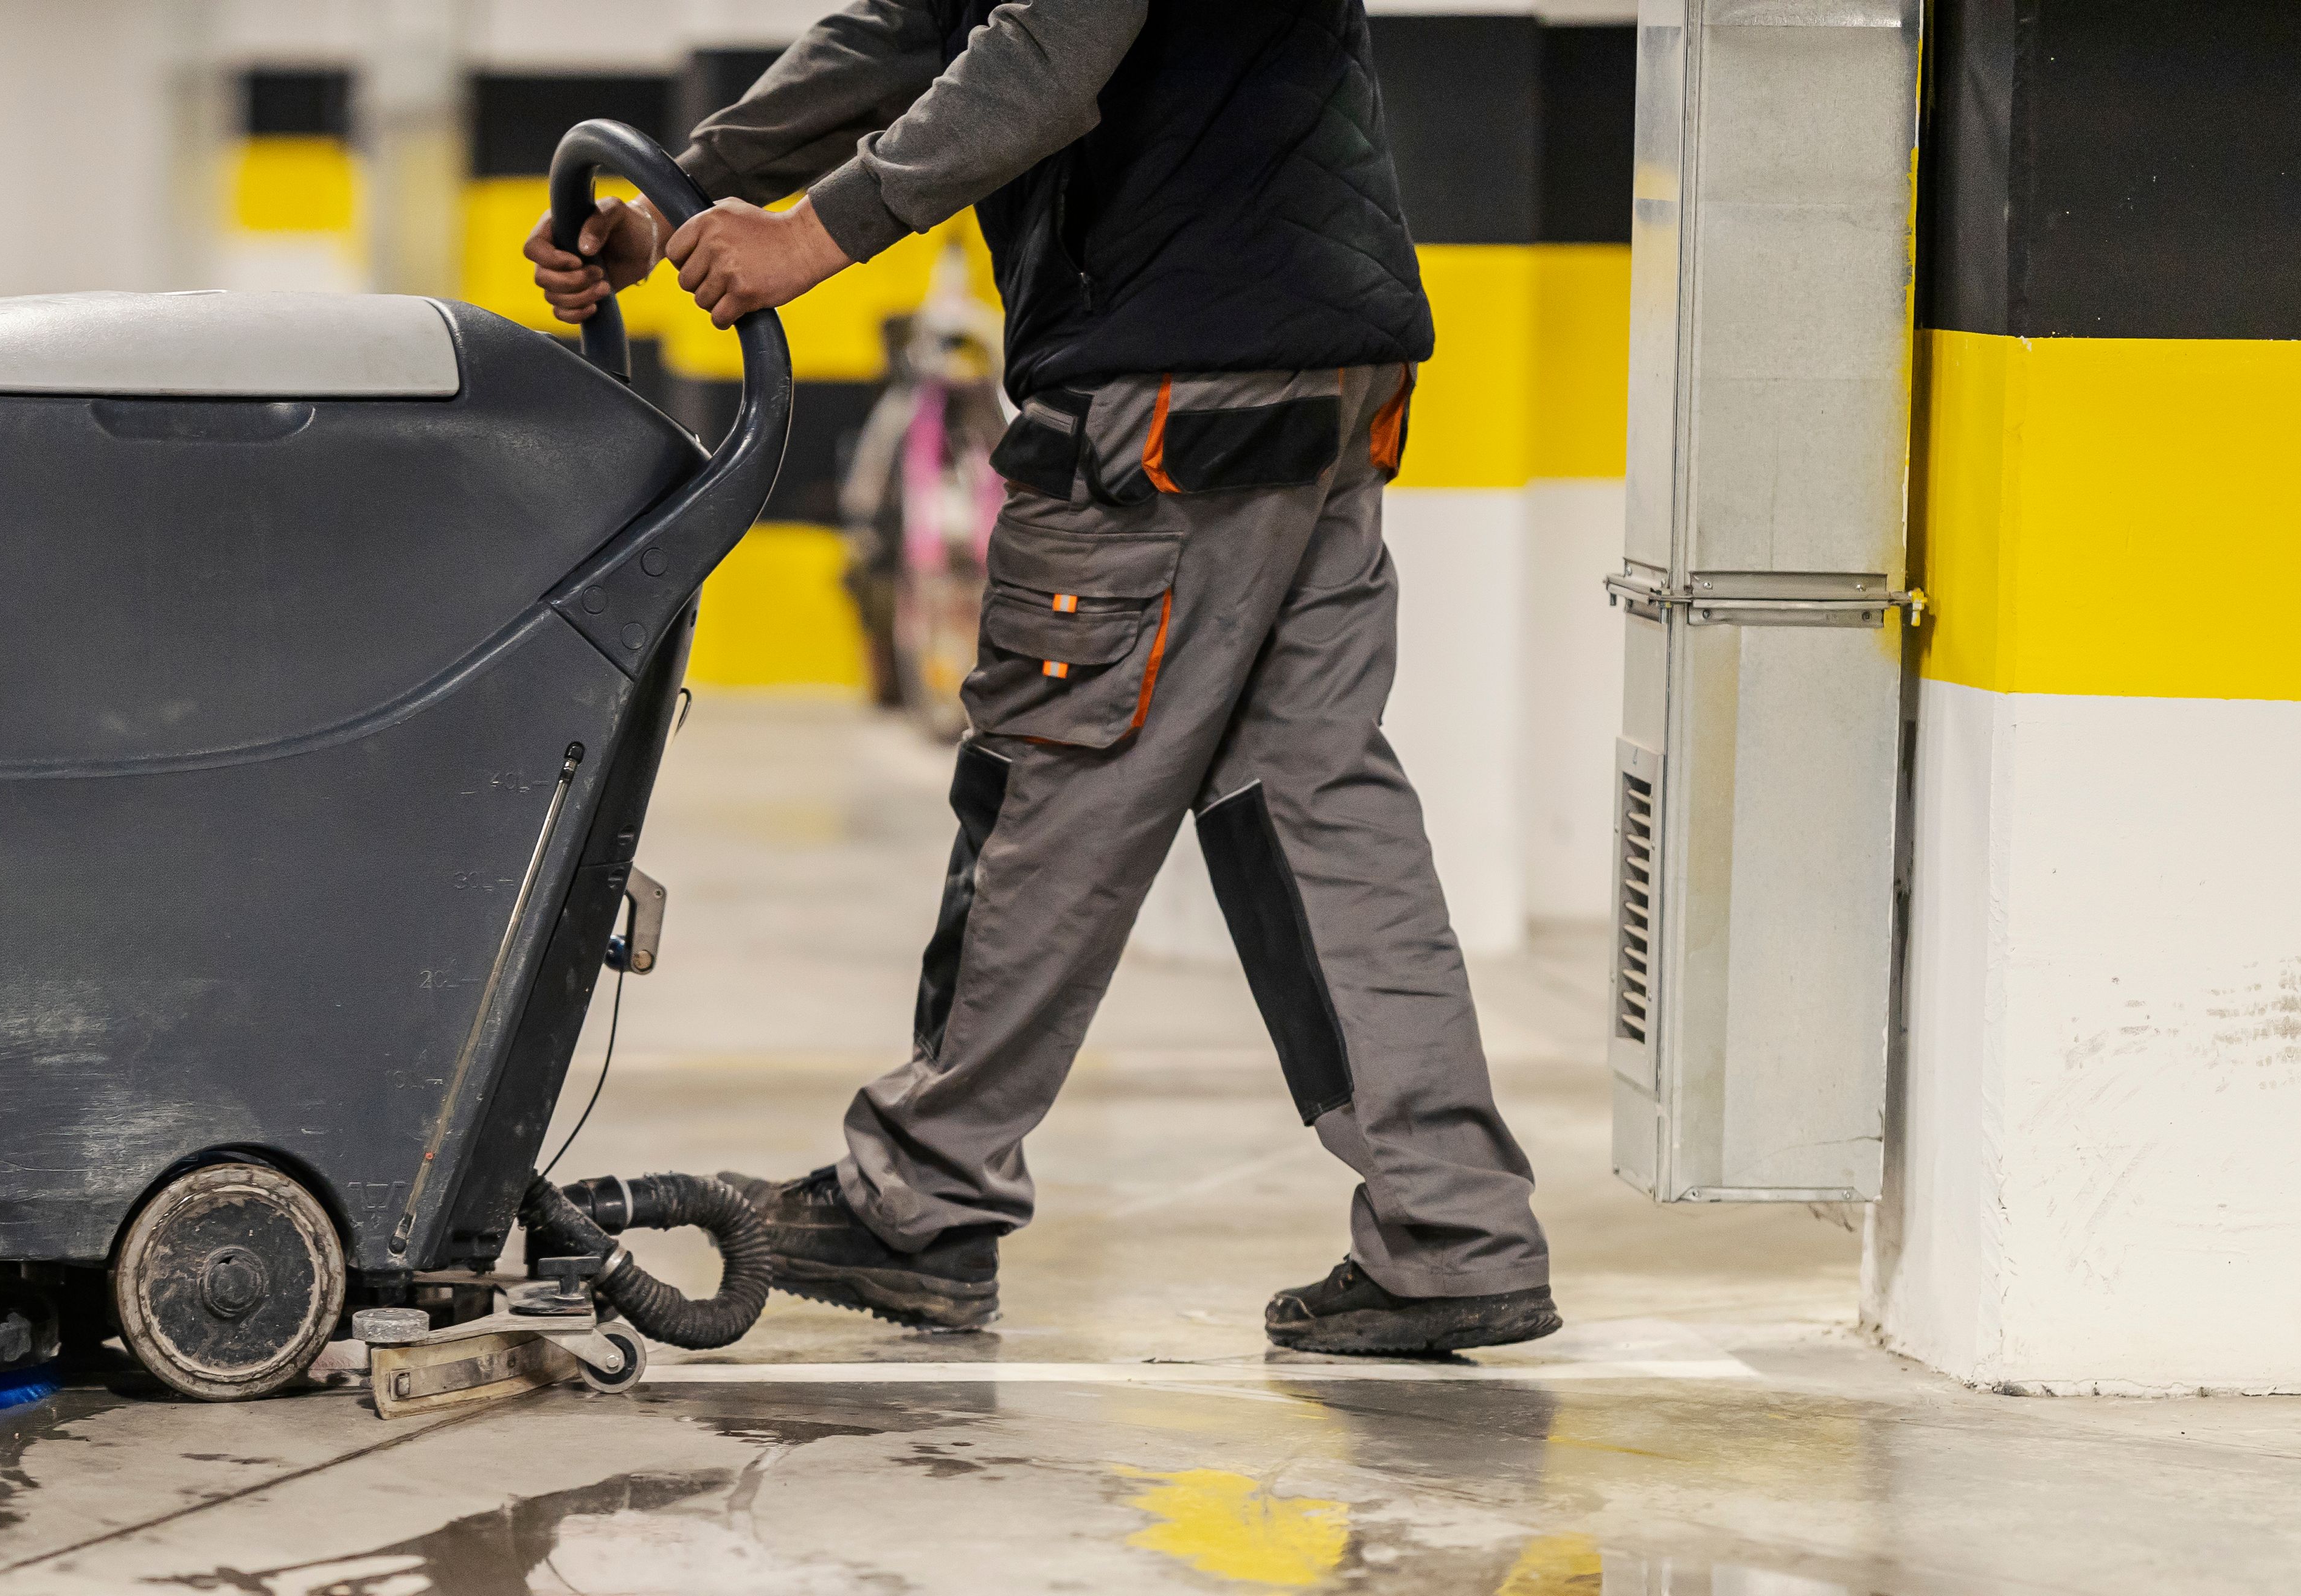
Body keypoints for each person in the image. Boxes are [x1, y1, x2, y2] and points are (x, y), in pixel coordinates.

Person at [526, 0, 1560, 1359]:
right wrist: (700, 189)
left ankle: (922, 1196)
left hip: (1167, 383)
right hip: (1320, 366)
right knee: (1319, 803)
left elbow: (1043, 52)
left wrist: (813, 232)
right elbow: (913, 29)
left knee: (1046, 789)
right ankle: (1456, 1226)